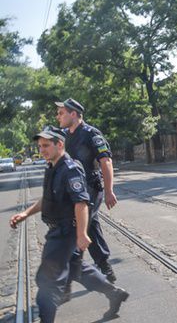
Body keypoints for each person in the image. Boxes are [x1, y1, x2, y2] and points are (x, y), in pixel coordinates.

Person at [9, 126, 128, 323]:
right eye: (40, 146)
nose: (42, 150)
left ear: (60, 144)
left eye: (46, 145)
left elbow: (81, 202)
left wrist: (81, 234)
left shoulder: (69, 169)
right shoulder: (51, 167)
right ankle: (114, 293)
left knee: (46, 283)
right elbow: (47, 200)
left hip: (65, 233)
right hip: (58, 230)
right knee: (76, 268)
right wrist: (25, 213)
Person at [55, 98, 117, 287]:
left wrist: (109, 191)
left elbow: (106, 162)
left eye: (61, 113)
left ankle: (65, 283)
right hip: (74, 192)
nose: (58, 117)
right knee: (91, 227)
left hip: (90, 189)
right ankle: (106, 269)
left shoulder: (91, 134)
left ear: (73, 114)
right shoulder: (64, 136)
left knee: (76, 229)